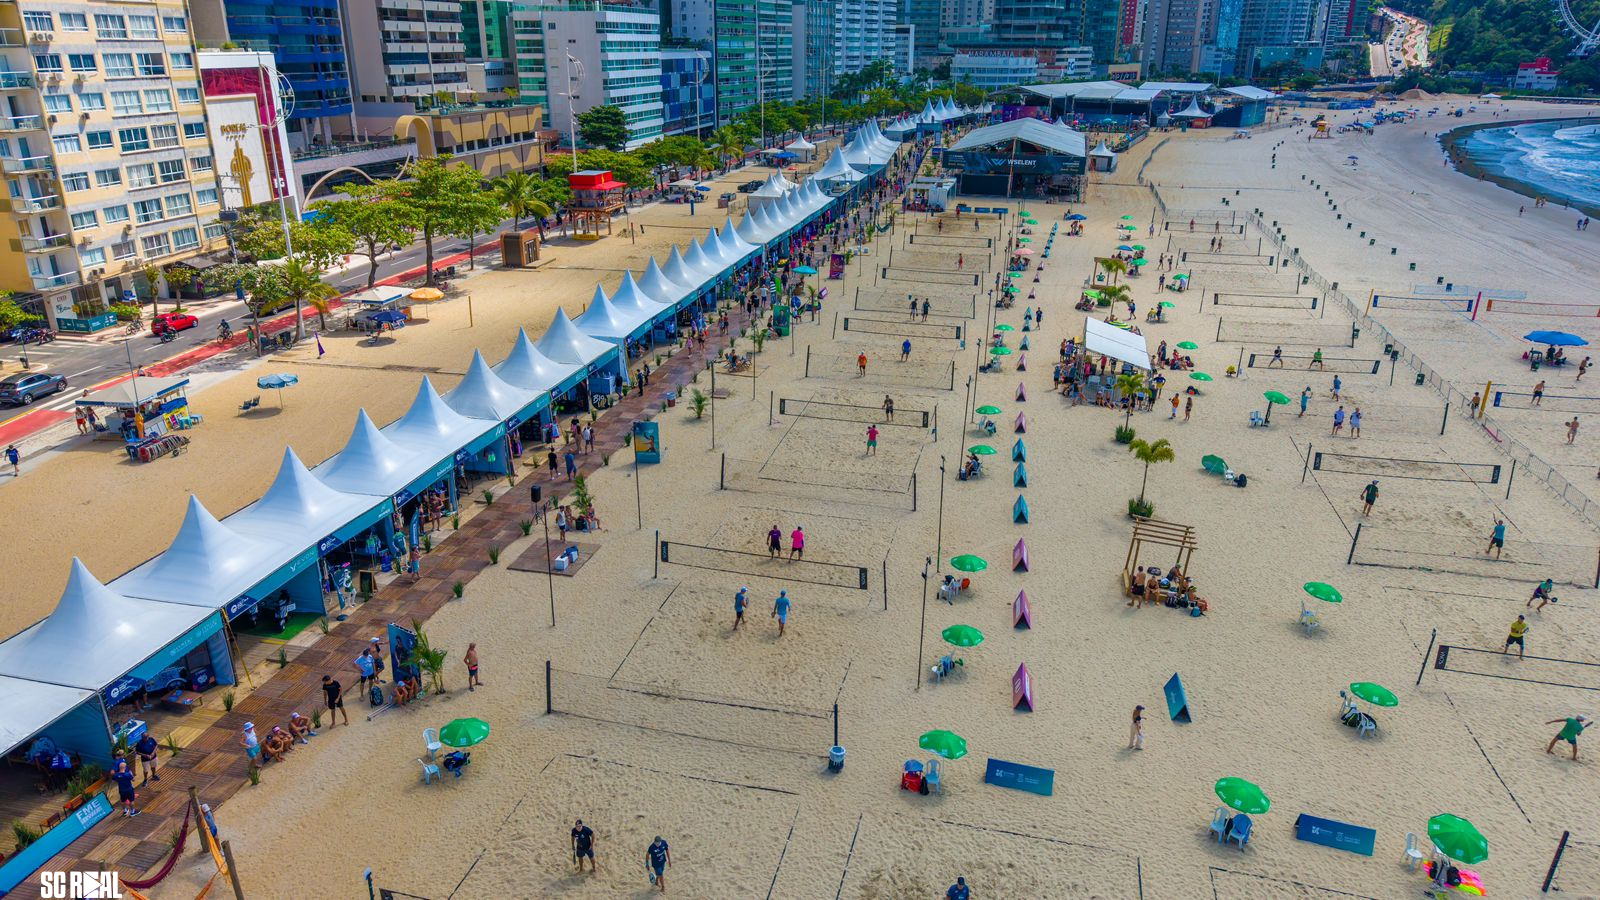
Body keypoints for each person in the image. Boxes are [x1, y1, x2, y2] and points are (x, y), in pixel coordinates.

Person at [112, 752, 138, 818]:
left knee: (122, 801)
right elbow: (133, 779)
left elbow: (114, 778)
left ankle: (125, 811)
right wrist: (131, 775)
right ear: (125, 767)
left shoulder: (116, 775)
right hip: (129, 789)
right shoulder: (128, 775)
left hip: (121, 790)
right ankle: (132, 812)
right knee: (131, 801)